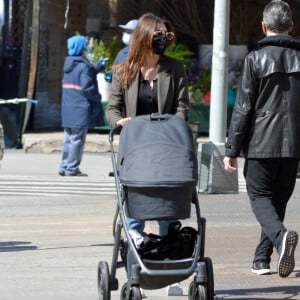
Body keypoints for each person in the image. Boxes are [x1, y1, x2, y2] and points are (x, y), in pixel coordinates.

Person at [106, 13, 189, 295]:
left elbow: (181, 106)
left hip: (167, 151)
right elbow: (113, 108)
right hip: (136, 150)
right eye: (158, 35)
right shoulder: (123, 70)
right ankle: (136, 269)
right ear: (144, 37)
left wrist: (174, 126)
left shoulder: (174, 68)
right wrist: (119, 123)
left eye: (167, 35)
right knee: (135, 210)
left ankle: (171, 271)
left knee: (167, 208)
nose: (164, 39)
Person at [223, 0, 299, 278]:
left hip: (261, 141)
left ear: (264, 26)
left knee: (259, 196)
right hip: (293, 145)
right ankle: (261, 260)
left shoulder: (255, 58)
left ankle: (280, 239)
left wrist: (231, 148)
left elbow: (244, 107)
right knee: (277, 199)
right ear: (291, 26)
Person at [59, 35, 105, 176]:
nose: (87, 49)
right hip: (80, 110)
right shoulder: (83, 66)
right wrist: (98, 97)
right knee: (77, 140)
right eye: (85, 46)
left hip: (68, 108)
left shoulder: (69, 64)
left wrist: (96, 66)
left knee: (68, 138)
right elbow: (87, 86)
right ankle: (72, 168)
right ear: (81, 48)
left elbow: (84, 73)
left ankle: (64, 165)